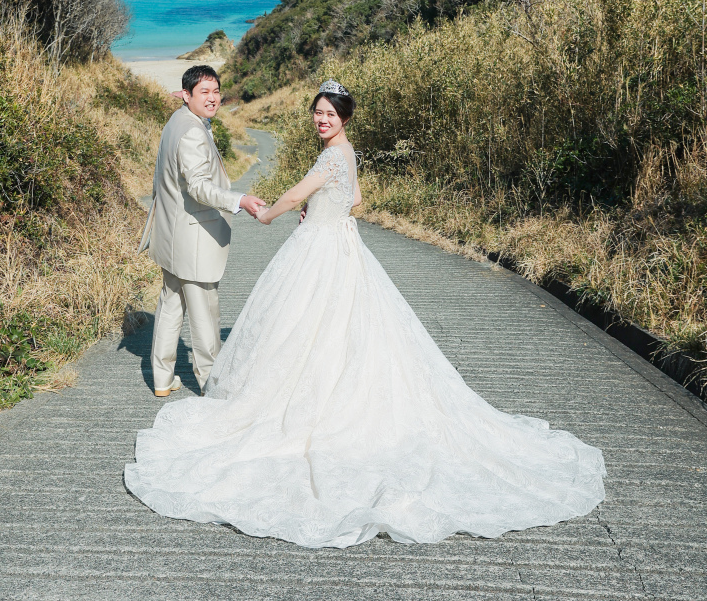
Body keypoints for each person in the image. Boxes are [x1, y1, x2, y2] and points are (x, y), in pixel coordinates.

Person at [126, 80, 606, 547]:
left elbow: (296, 195)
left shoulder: (333, 156)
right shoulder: (347, 154)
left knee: (309, 325)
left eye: (330, 115)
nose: (322, 119)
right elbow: (353, 199)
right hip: (340, 246)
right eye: (317, 112)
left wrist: (270, 212)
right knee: (334, 328)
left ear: (345, 119)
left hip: (319, 251)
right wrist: (324, 206)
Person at [138, 64, 265, 396]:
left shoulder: (176, 121)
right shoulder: (193, 131)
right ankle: (213, 387)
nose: (212, 98)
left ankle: (162, 379)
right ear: (186, 95)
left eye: (216, 91)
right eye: (204, 92)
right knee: (205, 315)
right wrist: (239, 200)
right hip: (192, 238)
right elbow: (198, 187)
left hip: (171, 235)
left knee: (170, 306)